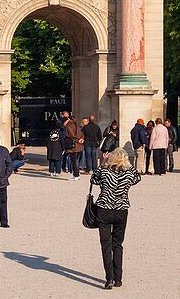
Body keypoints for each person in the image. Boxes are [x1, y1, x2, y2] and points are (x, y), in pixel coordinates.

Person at [90, 146, 142, 289]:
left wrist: (103, 163)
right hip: (121, 210)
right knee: (117, 244)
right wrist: (128, 164)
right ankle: (118, 278)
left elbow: (93, 179)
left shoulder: (105, 172)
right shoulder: (129, 174)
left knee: (106, 245)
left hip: (104, 210)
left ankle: (109, 278)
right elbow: (138, 177)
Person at [64, 114, 83, 180]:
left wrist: (78, 140)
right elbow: (81, 134)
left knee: (74, 161)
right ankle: (76, 175)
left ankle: (76, 175)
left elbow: (71, 135)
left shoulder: (69, 125)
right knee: (76, 161)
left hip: (73, 146)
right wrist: (81, 139)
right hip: (78, 146)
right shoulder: (77, 126)